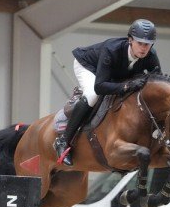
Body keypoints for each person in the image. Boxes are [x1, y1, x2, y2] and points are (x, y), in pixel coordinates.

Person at [54, 19, 161, 166]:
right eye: (139, 43)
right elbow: (100, 86)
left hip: (114, 73)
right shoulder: (112, 49)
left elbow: (158, 82)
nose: (143, 48)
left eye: (147, 44)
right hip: (88, 66)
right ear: (130, 40)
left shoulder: (151, 56)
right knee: (92, 95)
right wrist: (127, 86)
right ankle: (63, 141)